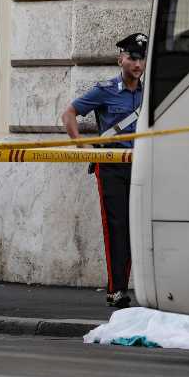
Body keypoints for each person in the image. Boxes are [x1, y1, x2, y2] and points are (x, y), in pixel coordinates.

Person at [61, 32, 147, 308]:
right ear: (120, 59)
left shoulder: (150, 93)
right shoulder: (106, 89)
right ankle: (116, 289)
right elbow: (69, 114)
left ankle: (137, 286)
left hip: (141, 164)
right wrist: (82, 147)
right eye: (132, 58)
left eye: (141, 59)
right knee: (116, 226)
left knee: (138, 226)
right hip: (111, 166)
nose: (138, 64)